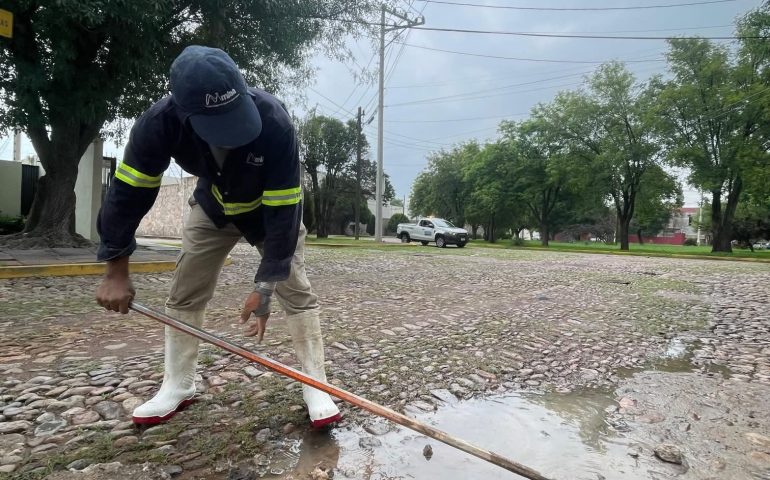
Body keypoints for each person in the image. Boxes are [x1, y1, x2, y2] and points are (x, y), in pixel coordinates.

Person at [95, 45, 341, 428]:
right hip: (211, 206)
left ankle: (316, 384)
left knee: (295, 285)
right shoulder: (158, 124)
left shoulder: (274, 121)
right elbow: (129, 193)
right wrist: (115, 269)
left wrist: (265, 285)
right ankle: (177, 385)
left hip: (265, 213)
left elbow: (284, 208)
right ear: (184, 112)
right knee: (185, 288)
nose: (232, 134)